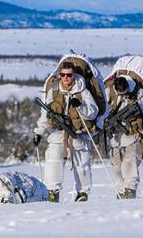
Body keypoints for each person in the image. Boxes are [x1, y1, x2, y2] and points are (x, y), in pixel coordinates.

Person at [32, 61, 99, 202]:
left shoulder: (83, 91)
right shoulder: (54, 90)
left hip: (79, 132)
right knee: (53, 159)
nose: (66, 78)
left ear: (74, 75)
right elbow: (45, 113)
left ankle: (82, 193)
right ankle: (52, 191)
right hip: (59, 131)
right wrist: (39, 132)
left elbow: (93, 112)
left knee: (82, 163)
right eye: (63, 75)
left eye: (69, 75)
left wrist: (80, 106)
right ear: (59, 75)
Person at [107, 76, 143, 199]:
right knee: (117, 166)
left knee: (130, 162)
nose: (123, 96)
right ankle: (121, 191)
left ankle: (130, 190)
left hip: (134, 134)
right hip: (115, 138)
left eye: (125, 93)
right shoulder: (109, 92)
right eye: (120, 93)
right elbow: (103, 110)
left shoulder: (138, 93)